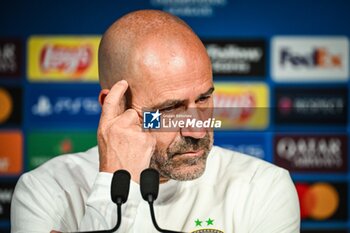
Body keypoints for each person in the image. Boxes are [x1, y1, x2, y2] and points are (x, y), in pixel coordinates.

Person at [11, 10, 300, 233]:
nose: (196, 128)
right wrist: (115, 180)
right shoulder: (44, 191)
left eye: (203, 99)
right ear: (115, 106)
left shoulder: (263, 186)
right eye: (171, 109)